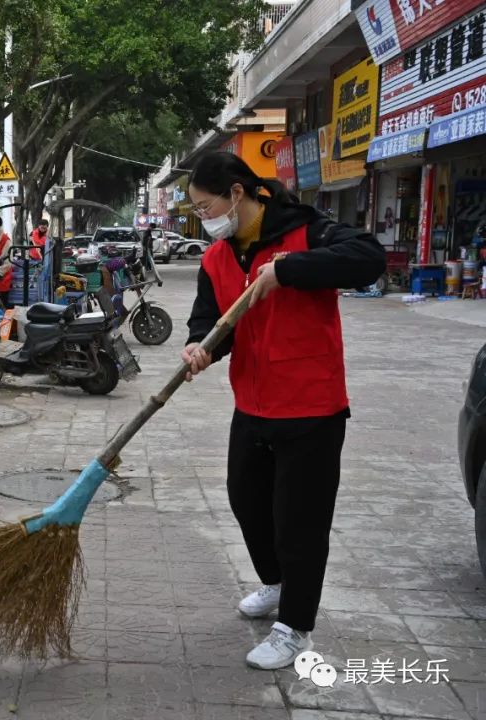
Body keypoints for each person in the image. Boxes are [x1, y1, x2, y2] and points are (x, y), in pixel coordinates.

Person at [181, 151, 384, 670]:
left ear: (237, 194)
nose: (204, 220)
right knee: (246, 500)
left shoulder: (308, 231)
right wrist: (199, 347)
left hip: (312, 405)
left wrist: (289, 269)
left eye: (206, 208)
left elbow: (368, 259)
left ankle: (296, 627)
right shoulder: (216, 257)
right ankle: (276, 584)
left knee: (301, 522)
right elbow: (210, 321)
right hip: (252, 402)